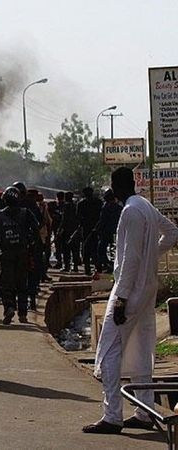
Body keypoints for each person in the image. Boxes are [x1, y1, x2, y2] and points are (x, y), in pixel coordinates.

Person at [83, 167, 178, 435]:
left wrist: (121, 299)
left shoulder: (130, 211)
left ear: (115, 187)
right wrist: (152, 255)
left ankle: (112, 416)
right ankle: (144, 411)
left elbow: (130, 259)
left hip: (130, 291)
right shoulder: (144, 205)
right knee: (141, 348)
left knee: (109, 349)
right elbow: (171, 233)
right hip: (147, 290)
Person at [0, 187, 38, 325]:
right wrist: (30, 246)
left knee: (6, 284)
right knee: (22, 283)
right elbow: (36, 230)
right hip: (22, 253)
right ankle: (22, 314)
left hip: (5, 254)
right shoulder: (26, 213)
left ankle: (9, 308)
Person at [94, 189, 123, 274]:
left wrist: (96, 229)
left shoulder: (106, 207)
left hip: (106, 232)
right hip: (116, 231)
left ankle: (108, 265)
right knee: (114, 249)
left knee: (101, 249)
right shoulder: (119, 207)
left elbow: (102, 220)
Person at [76, 187, 103, 275]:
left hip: (87, 229)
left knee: (87, 249)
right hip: (95, 229)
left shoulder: (81, 204)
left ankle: (89, 269)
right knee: (94, 249)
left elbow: (78, 217)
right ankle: (97, 268)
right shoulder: (98, 202)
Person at [57, 192, 80, 272]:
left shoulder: (66, 206)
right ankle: (75, 266)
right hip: (75, 230)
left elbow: (64, 219)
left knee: (66, 249)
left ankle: (67, 266)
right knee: (75, 249)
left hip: (66, 230)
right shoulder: (76, 205)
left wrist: (60, 229)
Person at [51, 192, 65, 269]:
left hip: (59, 228)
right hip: (63, 229)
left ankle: (60, 262)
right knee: (62, 246)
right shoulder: (64, 206)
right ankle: (64, 263)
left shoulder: (55, 206)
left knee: (59, 246)